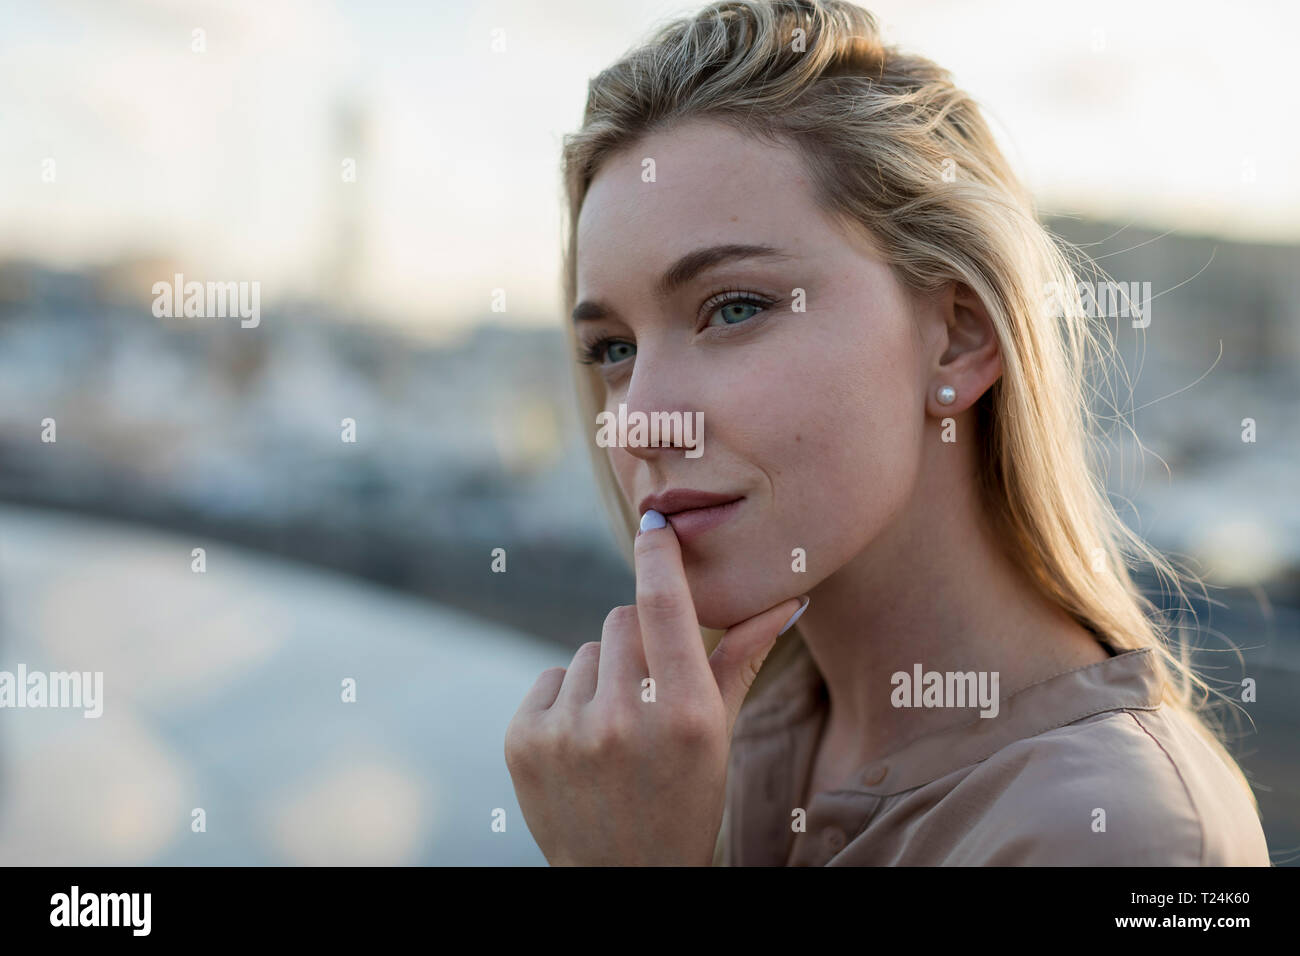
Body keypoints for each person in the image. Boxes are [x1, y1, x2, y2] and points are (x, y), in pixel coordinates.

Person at [504, 0, 1270, 866]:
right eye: (612, 349)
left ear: (960, 335)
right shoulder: (709, 748)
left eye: (735, 308)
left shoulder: (1123, 836)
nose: (640, 420)